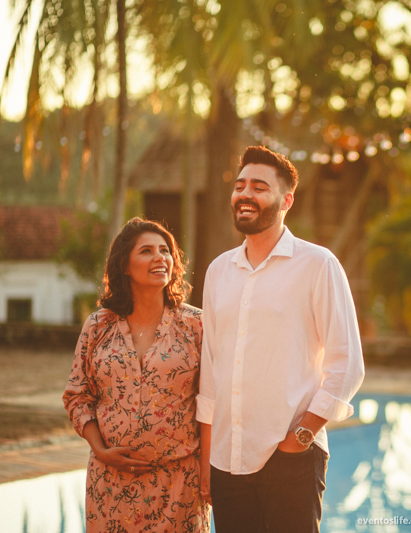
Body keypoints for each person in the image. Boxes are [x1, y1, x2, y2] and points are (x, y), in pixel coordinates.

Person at [197, 146, 365, 532]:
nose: (245, 194)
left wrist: (299, 438)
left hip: (291, 460)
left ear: (286, 200)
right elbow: (210, 370)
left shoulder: (318, 265)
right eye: (240, 186)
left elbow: (346, 365)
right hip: (226, 461)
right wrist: (207, 457)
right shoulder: (219, 271)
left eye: (259, 187)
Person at [63, 217, 210, 532]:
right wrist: (100, 450)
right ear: (125, 265)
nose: (160, 257)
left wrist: (207, 471)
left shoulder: (196, 325)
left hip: (179, 485)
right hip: (110, 485)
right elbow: (77, 395)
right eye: (146, 251)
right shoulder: (98, 326)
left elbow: (211, 401)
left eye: (165, 250)